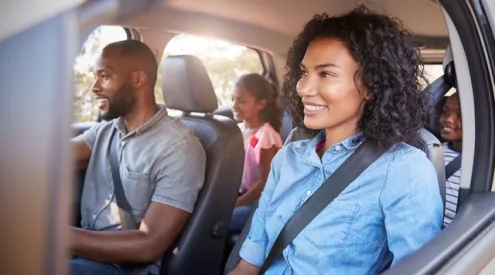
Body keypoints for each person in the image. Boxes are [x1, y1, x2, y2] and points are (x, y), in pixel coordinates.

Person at [229, 6, 443, 275]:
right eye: (304, 72)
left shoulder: (403, 169)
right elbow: (249, 262)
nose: (303, 88)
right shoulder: (289, 157)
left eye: (326, 74)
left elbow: (416, 268)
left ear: (370, 86)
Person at [70, 40, 206, 275]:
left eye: (105, 76)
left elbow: (148, 244)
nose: (94, 87)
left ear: (138, 79)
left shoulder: (179, 147)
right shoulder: (107, 130)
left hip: (121, 269)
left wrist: (55, 234)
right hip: (84, 254)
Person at [230, 73, 283, 231]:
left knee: (218, 220)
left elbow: (266, 182)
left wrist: (236, 204)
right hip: (241, 194)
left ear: (261, 104)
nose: (234, 105)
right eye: (233, 99)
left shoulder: (266, 135)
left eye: (241, 101)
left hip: (259, 203)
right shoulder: (237, 130)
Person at [439, 93, 462, 226]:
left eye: (460, 115)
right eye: (445, 112)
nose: (448, 119)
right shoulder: (432, 151)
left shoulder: (485, 162)